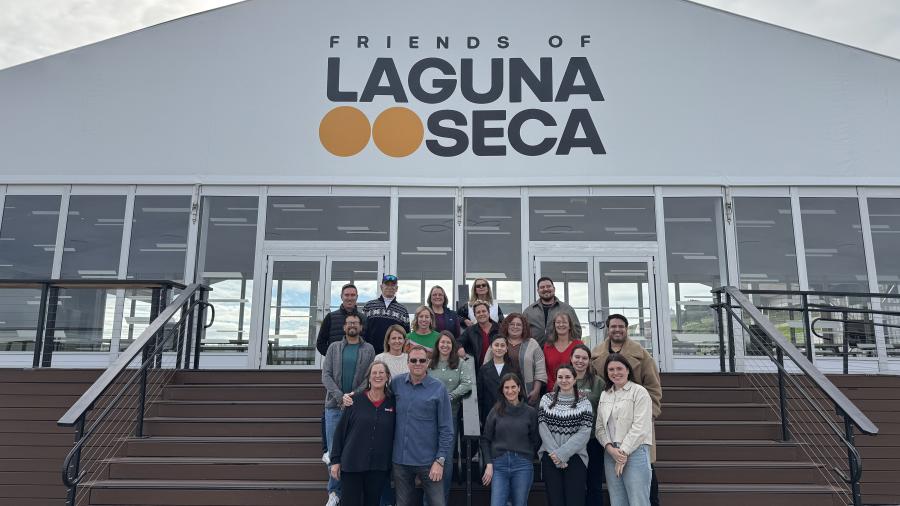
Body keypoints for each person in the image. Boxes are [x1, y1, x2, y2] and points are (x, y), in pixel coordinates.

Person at [590, 314, 662, 506]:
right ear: (607, 329)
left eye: (621, 326)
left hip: (636, 432)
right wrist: (611, 448)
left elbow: (654, 389)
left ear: (626, 328)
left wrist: (647, 417)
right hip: (609, 433)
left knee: (643, 491)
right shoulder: (596, 356)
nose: (617, 329)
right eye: (613, 326)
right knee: (618, 496)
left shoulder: (642, 355)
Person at [321, 314, 375, 506]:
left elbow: (369, 378)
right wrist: (340, 396)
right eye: (349, 323)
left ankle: (351, 491)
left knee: (352, 449)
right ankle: (334, 491)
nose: (352, 325)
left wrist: (352, 396)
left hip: (357, 407)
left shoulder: (369, 349)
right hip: (334, 407)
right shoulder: (333, 348)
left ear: (361, 327)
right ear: (344, 327)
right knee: (335, 450)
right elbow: (325, 375)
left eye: (356, 323)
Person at [391, 346, 455, 506]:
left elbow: (447, 429)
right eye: (413, 360)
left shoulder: (438, 388)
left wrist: (440, 461)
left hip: (429, 462)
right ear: (407, 362)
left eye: (422, 360)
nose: (417, 363)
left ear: (428, 363)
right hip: (401, 461)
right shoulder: (397, 383)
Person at [329, 361, 396, 506]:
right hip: (352, 464)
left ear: (388, 377)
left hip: (378, 467)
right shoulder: (354, 401)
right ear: (369, 378)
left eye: (381, 373)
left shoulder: (393, 403)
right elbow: (340, 432)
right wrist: (335, 461)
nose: (377, 376)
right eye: (374, 373)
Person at [595, 353, 653, 506]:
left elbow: (641, 426)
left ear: (628, 370)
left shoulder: (639, 392)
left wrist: (624, 452)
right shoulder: (604, 395)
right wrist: (610, 449)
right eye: (611, 369)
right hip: (611, 454)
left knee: (638, 501)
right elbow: (600, 427)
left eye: (619, 368)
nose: (615, 373)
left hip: (635, 452)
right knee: (617, 501)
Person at [427, 331, 474, 505]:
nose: (445, 345)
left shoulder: (460, 363)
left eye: (448, 343)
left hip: (449, 417)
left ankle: (442, 501)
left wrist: (451, 396)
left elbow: (467, 384)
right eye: (442, 343)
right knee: (428, 459)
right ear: (437, 345)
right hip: (428, 419)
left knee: (444, 460)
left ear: (453, 346)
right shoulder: (430, 363)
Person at [480, 373, 540, 506]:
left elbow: (536, 439)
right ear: (502, 390)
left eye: (513, 387)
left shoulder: (530, 412)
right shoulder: (495, 411)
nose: (510, 391)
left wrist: (526, 455)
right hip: (499, 465)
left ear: (519, 388)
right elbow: (485, 439)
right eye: (506, 387)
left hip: (522, 465)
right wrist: (489, 464)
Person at [538, 364, 594, 506]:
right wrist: (555, 454)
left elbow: (584, 432)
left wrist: (563, 453)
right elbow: (542, 427)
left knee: (575, 500)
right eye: (560, 377)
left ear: (575, 380)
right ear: (556, 380)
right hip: (551, 456)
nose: (564, 380)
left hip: (576, 457)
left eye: (568, 377)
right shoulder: (546, 399)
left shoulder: (584, 402)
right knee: (554, 500)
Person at [572, 344, 605, 506]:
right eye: (577, 357)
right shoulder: (563, 380)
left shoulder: (598, 383)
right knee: (576, 485)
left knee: (594, 484)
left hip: (593, 440)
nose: (580, 361)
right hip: (571, 442)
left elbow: (604, 411)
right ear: (571, 359)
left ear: (589, 361)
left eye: (584, 358)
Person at [495, 312, 546, 406]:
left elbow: (540, 370)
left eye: (519, 324)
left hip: (527, 393)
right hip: (503, 392)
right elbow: (487, 365)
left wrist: (536, 390)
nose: (515, 327)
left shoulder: (532, 344)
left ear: (524, 327)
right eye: (512, 324)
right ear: (507, 325)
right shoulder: (499, 342)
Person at [523, 277, 582, 345]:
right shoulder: (529, 311)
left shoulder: (567, 309)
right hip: (534, 353)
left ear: (554, 289)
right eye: (542, 287)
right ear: (538, 290)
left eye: (548, 286)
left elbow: (577, 332)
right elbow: (522, 333)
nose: (545, 289)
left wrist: (572, 349)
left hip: (560, 352)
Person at [363, 274, 410, 355]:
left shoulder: (403, 310)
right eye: (387, 284)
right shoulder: (369, 306)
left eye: (393, 285)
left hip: (393, 353)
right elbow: (363, 330)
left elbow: (406, 334)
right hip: (371, 352)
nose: (390, 287)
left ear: (397, 288)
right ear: (381, 287)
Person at [316, 283, 368, 356]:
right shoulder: (330, 317)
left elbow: (368, 343)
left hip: (359, 364)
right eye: (346, 295)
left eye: (353, 295)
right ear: (341, 297)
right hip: (336, 365)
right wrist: (333, 356)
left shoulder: (364, 319)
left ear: (357, 297)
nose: (349, 298)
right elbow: (320, 343)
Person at [478, 335, 518, 425]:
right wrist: (479, 416)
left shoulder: (513, 370)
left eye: (502, 345)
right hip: (488, 414)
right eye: (496, 345)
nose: (499, 348)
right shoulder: (483, 369)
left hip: (509, 414)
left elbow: (519, 394)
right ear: (491, 347)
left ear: (506, 349)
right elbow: (479, 395)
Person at [543, 312, 583, 391]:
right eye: (558, 322)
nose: (561, 325)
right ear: (554, 325)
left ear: (570, 326)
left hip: (575, 389)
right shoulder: (547, 346)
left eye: (564, 322)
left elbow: (582, 368)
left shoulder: (578, 344)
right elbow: (546, 370)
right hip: (552, 391)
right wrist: (553, 388)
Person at [458, 300, 500, 365]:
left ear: (488, 313)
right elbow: (457, 342)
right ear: (475, 315)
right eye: (478, 312)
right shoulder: (470, 331)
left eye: (484, 311)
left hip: (495, 369)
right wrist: (460, 347)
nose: (481, 314)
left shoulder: (499, 329)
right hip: (477, 370)